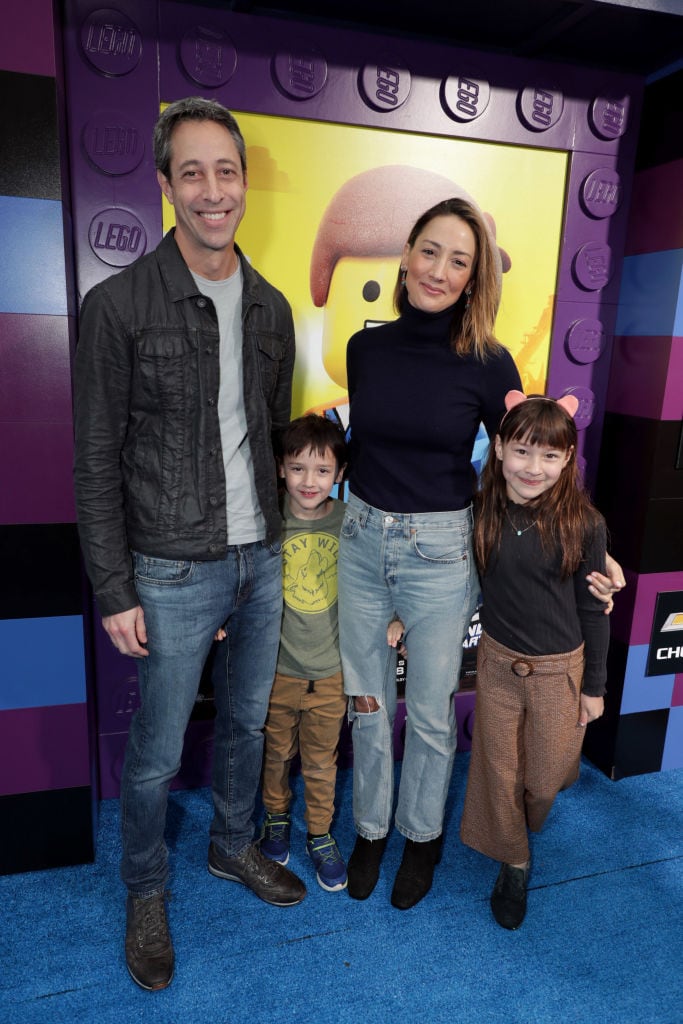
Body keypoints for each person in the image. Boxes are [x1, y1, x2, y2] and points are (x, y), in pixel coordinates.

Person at [72, 97, 304, 992]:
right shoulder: (118, 305)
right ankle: (144, 887)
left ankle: (231, 848)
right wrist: (114, 586)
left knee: (247, 722)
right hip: (166, 568)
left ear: (245, 183)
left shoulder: (274, 308)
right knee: (159, 752)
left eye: (228, 171)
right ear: (166, 184)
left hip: (263, 558)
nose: (214, 191)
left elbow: (272, 436)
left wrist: (275, 546)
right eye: (193, 172)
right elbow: (95, 463)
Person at [337, 196, 524, 910]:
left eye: (458, 260)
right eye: (429, 251)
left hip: (441, 553)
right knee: (367, 703)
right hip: (358, 540)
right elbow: (365, 449)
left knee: (432, 713)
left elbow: (529, 461)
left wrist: (581, 541)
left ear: (474, 279)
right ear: (406, 254)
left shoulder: (486, 362)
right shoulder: (365, 348)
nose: (439, 271)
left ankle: (420, 838)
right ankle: (370, 830)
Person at [460, 390, 609, 930]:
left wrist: (594, 687)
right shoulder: (480, 508)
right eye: (522, 451)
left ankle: (523, 829)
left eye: (550, 455)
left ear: (567, 459)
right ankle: (515, 863)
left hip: (559, 672)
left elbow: (595, 612)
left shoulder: (584, 525)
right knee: (498, 773)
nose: (533, 467)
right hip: (498, 663)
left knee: (544, 781)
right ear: (499, 448)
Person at [257, 414, 350, 892]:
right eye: (297, 468)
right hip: (277, 672)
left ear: (339, 474)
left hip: (330, 673)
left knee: (319, 759)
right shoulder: (269, 520)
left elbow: (376, 581)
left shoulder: (349, 522)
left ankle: (319, 832)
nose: (309, 481)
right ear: (279, 469)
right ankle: (275, 818)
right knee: (275, 752)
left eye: (322, 470)